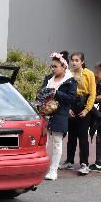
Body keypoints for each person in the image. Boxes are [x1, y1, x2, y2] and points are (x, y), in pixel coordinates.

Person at [40, 51, 78, 181]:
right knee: (43, 143)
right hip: (45, 114)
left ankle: (53, 170)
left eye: (55, 66)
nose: (53, 69)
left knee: (57, 143)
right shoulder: (48, 78)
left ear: (64, 66)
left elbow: (72, 99)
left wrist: (56, 93)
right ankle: (40, 169)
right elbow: (40, 93)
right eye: (52, 66)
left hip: (60, 114)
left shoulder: (70, 81)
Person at [60, 52, 96, 175]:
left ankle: (84, 163)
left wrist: (87, 110)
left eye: (77, 60)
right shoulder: (68, 73)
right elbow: (65, 92)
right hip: (71, 105)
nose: (74, 62)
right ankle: (69, 161)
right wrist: (68, 108)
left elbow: (92, 94)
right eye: (72, 60)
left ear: (82, 62)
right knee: (71, 136)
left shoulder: (89, 74)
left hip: (83, 105)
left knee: (83, 137)